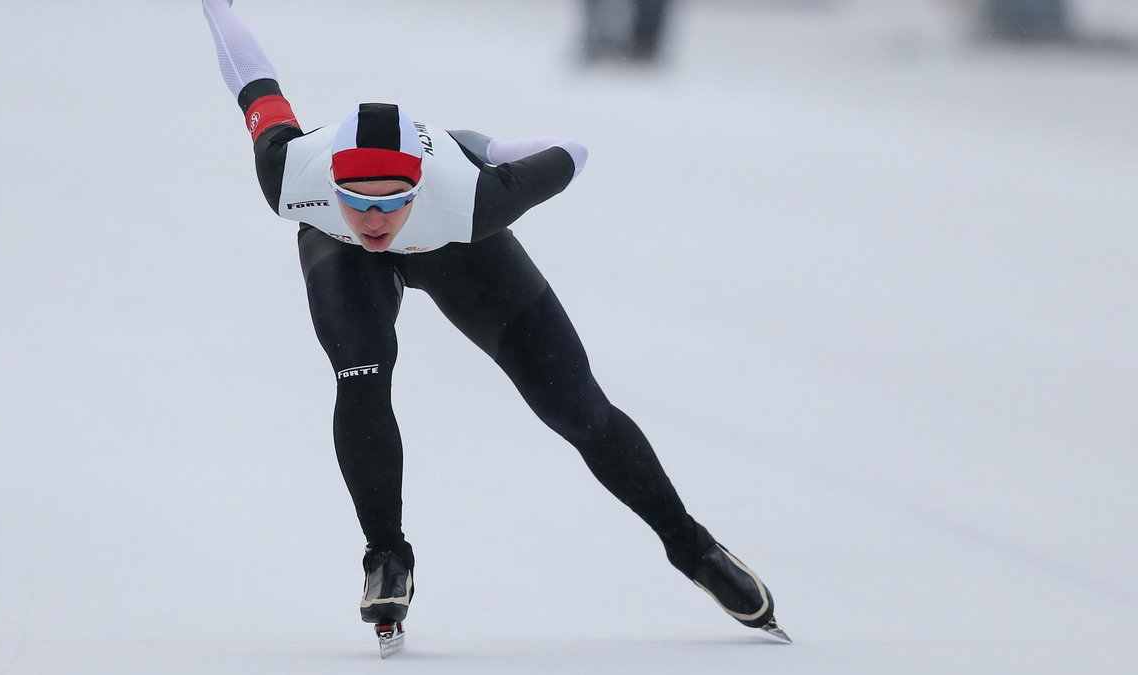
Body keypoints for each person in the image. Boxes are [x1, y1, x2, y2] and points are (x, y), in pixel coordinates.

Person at [200, 0, 788, 641]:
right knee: (362, 376)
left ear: (418, 188)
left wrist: (485, 149)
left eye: (392, 202)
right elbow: (252, 78)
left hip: (458, 247)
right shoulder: (288, 173)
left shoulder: (475, 199)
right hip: (334, 252)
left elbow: (572, 149)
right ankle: (386, 557)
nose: (374, 221)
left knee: (577, 407)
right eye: (356, 201)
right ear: (330, 184)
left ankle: (693, 547)